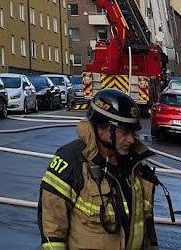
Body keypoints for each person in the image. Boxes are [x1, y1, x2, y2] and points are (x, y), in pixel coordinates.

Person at [39, 88, 164, 249]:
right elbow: (52, 228)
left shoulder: (134, 166)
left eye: (133, 132)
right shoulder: (72, 160)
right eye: (124, 132)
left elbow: (146, 229)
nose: (132, 140)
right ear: (101, 127)